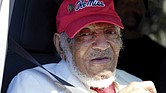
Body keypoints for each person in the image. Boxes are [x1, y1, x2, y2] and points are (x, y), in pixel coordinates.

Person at [7, 0, 157, 93]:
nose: (102, 45)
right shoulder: (32, 83)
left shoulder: (134, 82)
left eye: (110, 32)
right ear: (60, 45)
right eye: (85, 34)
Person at [115, 0, 166, 92]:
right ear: (114, 9)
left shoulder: (160, 55)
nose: (130, 8)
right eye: (124, 3)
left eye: (136, 3)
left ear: (146, 10)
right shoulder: (104, 51)